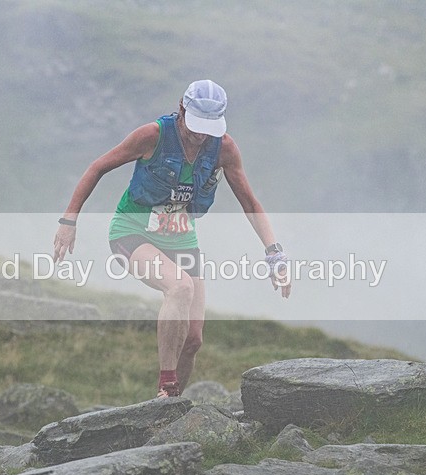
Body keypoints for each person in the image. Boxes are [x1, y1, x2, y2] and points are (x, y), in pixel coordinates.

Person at [53, 79, 290, 399]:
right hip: (132, 231)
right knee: (179, 287)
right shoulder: (152, 135)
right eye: (195, 126)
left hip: (181, 239)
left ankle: (170, 406)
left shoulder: (225, 148)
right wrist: (69, 221)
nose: (201, 135)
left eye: (209, 128)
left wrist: (274, 253)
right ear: (181, 110)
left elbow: (249, 201)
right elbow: (98, 168)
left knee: (193, 340)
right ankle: (166, 386)